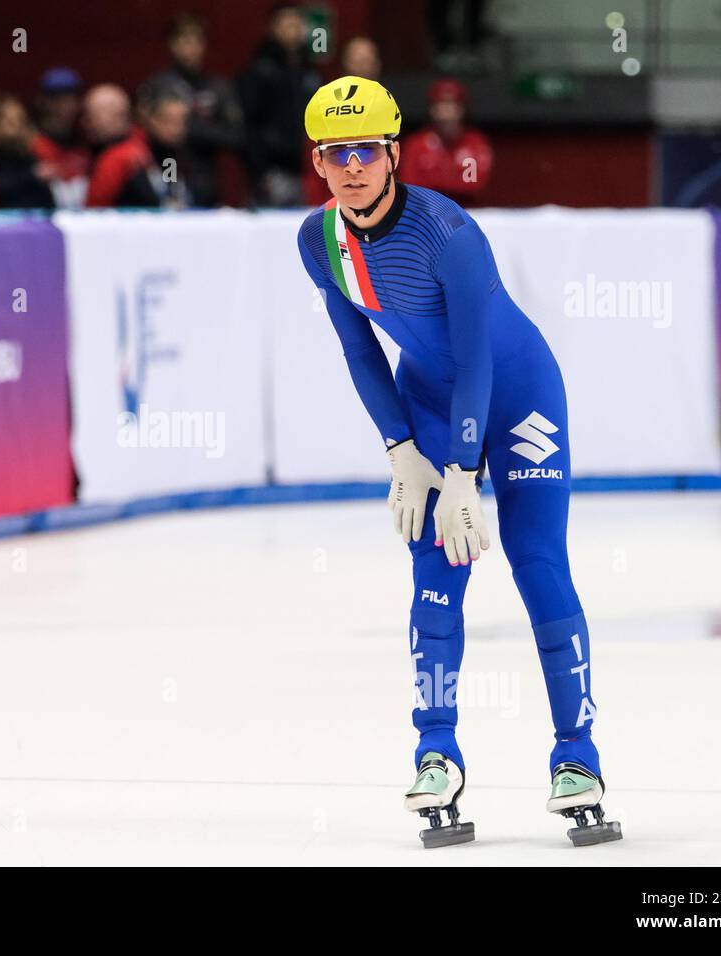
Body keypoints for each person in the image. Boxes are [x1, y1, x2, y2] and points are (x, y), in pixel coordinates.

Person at [295, 76, 620, 848]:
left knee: (536, 559)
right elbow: (358, 349)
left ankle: (578, 758)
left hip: (517, 396)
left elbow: (476, 358)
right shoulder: (319, 241)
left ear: (394, 154)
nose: (352, 167)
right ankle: (435, 751)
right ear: (317, 163)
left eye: (365, 151)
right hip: (432, 405)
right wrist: (402, 450)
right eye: (334, 154)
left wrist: (465, 474)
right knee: (435, 570)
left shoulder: (449, 234)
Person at [145, 13, 244, 207]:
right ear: (172, 44)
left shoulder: (217, 87)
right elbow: (146, 131)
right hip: (167, 165)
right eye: (183, 40)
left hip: (205, 172)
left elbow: (237, 136)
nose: (188, 48)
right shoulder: (157, 85)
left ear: (203, 45)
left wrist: (189, 128)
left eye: (194, 41)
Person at [237, 2, 322, 206]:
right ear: (274, 28)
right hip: (273, 171)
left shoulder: (310, 72)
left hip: (309, 170)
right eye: (286, 25)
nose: (292, 31)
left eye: (296, 25)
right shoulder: (258, 71)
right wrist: (260, 168)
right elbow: (249, 124)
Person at [85, 82, 191, 209]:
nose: (177, 129)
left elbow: (172, 195)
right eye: (168, 120)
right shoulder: (120, 157)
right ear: (150, 119)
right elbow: (95, 209)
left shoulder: (170, 159)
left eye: (182, 121)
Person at [397, 77, 492, 205]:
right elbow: (410, 186)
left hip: (467, 211)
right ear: (432, 108)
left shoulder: (475, 142)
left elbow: (474, 184)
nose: (447, 110)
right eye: (441, 104)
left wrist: (434, 181)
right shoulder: (416, 144)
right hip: (427, 213)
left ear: (462, 108)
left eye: (452, 104)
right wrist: (453, 178)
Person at [31, 67, 90, 208]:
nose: (62, 106)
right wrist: (31, 176)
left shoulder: (88, 139)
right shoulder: (30, 143)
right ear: (43, 101)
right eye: (55, 99)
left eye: (69, 98)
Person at [0, 97, 55, 210]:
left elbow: (46, 197)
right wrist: (32, 175)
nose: (14, 126)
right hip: (1, 217)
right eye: (8, 120)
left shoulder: (28, 154)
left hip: (33, 216)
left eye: (18, 120)